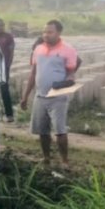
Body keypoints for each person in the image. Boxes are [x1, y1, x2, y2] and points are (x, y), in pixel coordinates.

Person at [20, 20, 78, 167]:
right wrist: (25, 96)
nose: (46, 35)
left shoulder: (68, 50)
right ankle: (46, 158)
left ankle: (64, 161)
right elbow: (33, 73)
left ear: (58, 33)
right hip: (40, 96)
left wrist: (68, 81)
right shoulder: (38, 49)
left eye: (50, 32)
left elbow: (71, 73)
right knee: (42, 131)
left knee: (60, 130)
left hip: (58, 96)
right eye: (44, 32)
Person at [0, 18, 15, 122]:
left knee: (4, 90)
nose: (0, 27)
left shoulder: (8, 37)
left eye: (2, 25)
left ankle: (9, 115)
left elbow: (11, 52)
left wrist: (8, 65)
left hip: (4, 67)